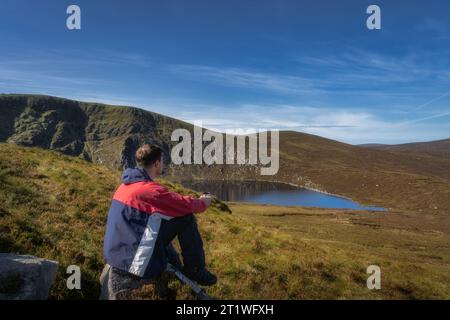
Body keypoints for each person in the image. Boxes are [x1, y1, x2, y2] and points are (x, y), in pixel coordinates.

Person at [100, 144, 216, 299]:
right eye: (162, 160)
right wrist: (204, 201)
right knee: (186, 217)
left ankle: (176, 266)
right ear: (156, 163)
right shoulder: (150, 191)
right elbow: (186, 205)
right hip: (134, 263)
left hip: (116, 254)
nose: (164, 164)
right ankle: (195, 270)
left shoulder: (126, 184)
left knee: (161, 222)